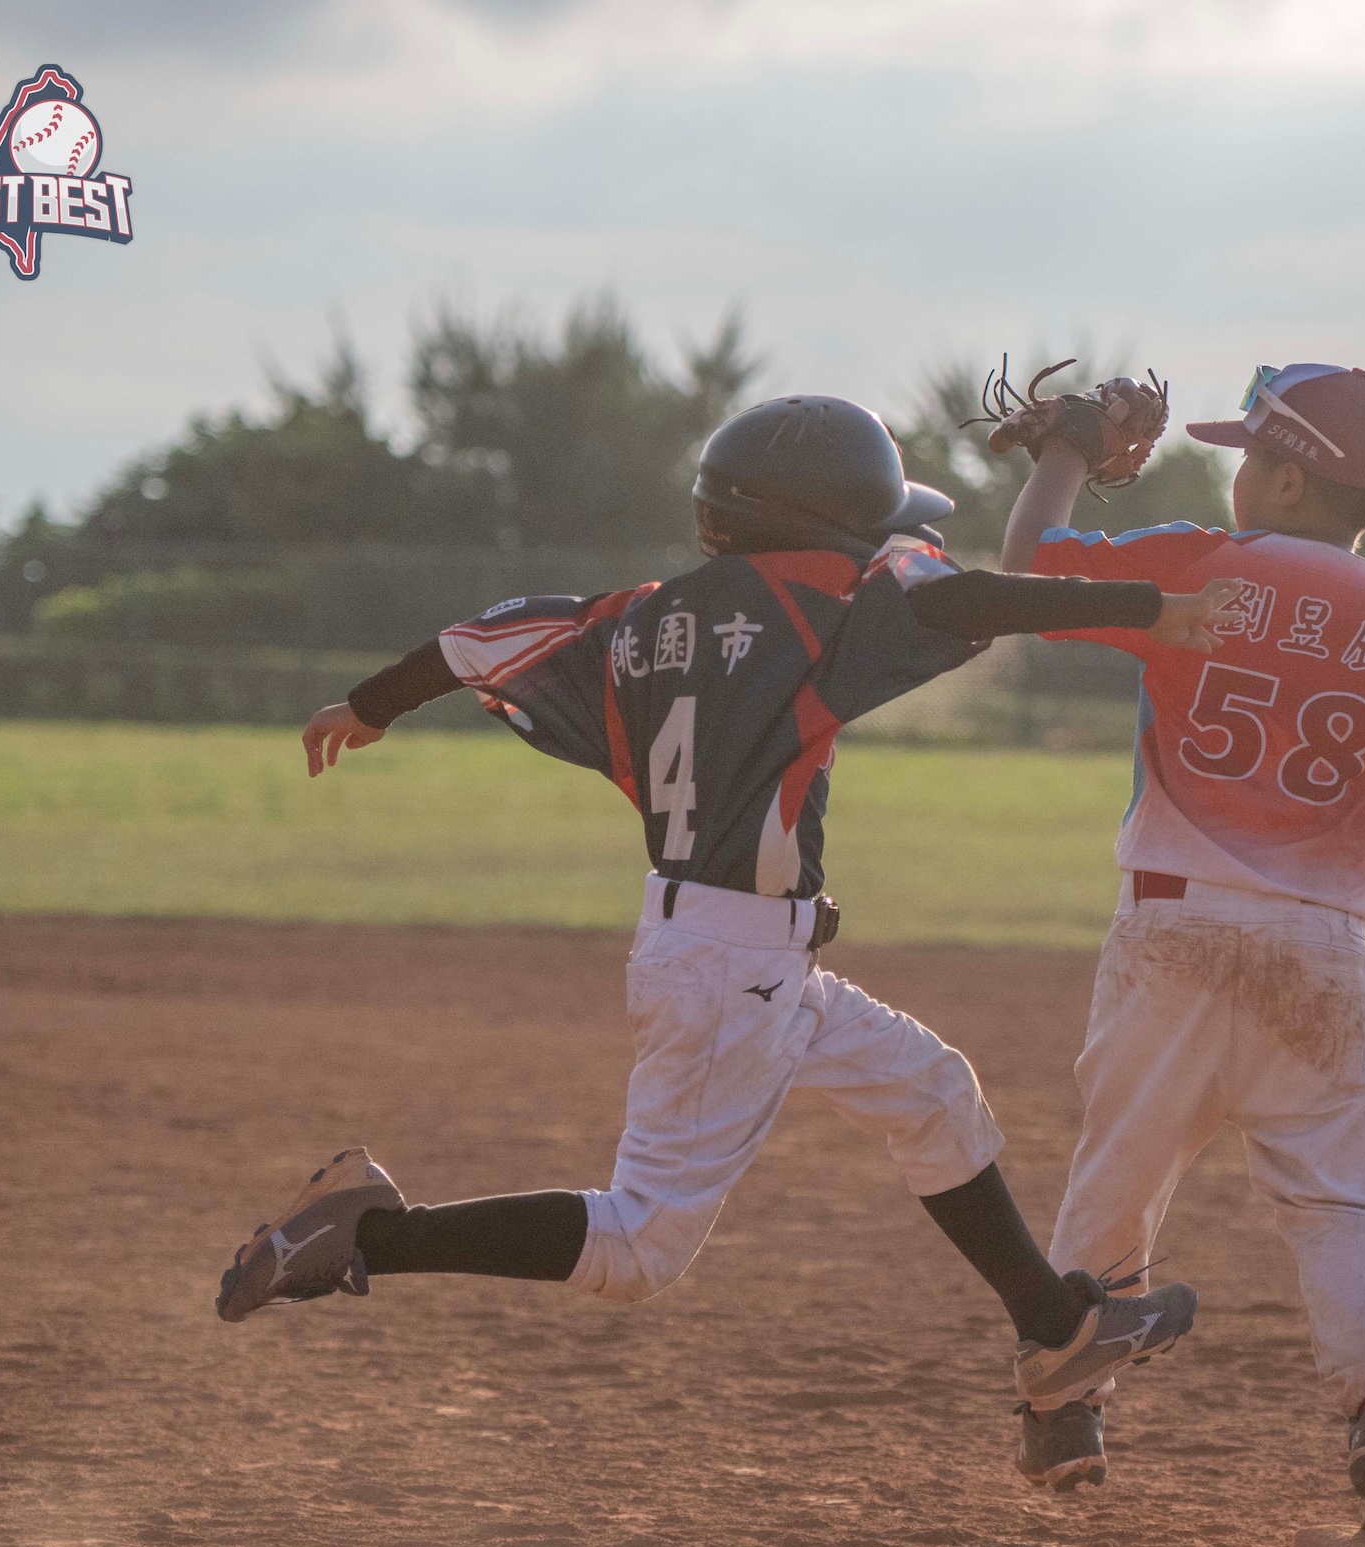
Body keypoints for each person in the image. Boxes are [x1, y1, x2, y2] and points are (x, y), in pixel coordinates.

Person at [213, 395, 1229, 1441]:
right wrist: (1147, 607)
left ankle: (1056, 1331)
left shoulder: (641, 618)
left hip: (737, 952)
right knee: (636, 1247)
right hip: (730, 965)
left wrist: (368, 705)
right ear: (824, 528)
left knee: (932, 1096)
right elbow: (970, 597)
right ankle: (368, 1235)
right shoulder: (819, 604)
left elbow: (476, 640)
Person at [994, 363, 1365, 1526]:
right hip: (1322, 947)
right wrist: (1314, 875)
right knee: (1346, 1194)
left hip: (1170, 928)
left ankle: (1065, 1409)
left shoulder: (1202, 566)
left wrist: (1064, 451)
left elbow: (1024, 575)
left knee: (1122, 1166)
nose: (1238, 474)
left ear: (1292, 478)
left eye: (1251, 455)